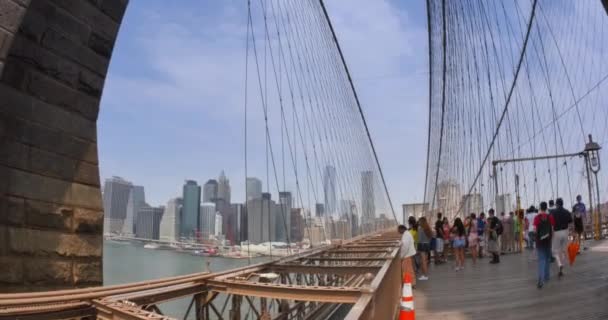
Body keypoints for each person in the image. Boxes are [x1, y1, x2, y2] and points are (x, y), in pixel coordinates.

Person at [534, 201, 555, 289]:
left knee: (541, 260)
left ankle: (541, 279)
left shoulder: (537, 218)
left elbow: (535, 230)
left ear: (540, 208)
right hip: (548, 241)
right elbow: (552, 230)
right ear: (546, 208)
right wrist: (551, 239)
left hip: (540, 242)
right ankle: (547, 276)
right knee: (547, 259)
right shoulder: (550, 217)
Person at [550, 198, 572, 278]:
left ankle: (559, 264)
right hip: (565, 231)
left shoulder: (553, 212)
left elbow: (551, 223)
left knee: (554, 251)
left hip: (557, 232)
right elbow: (570, 222)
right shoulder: (567, 211)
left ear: (557, 204)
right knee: (563, 250)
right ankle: (562, 267)